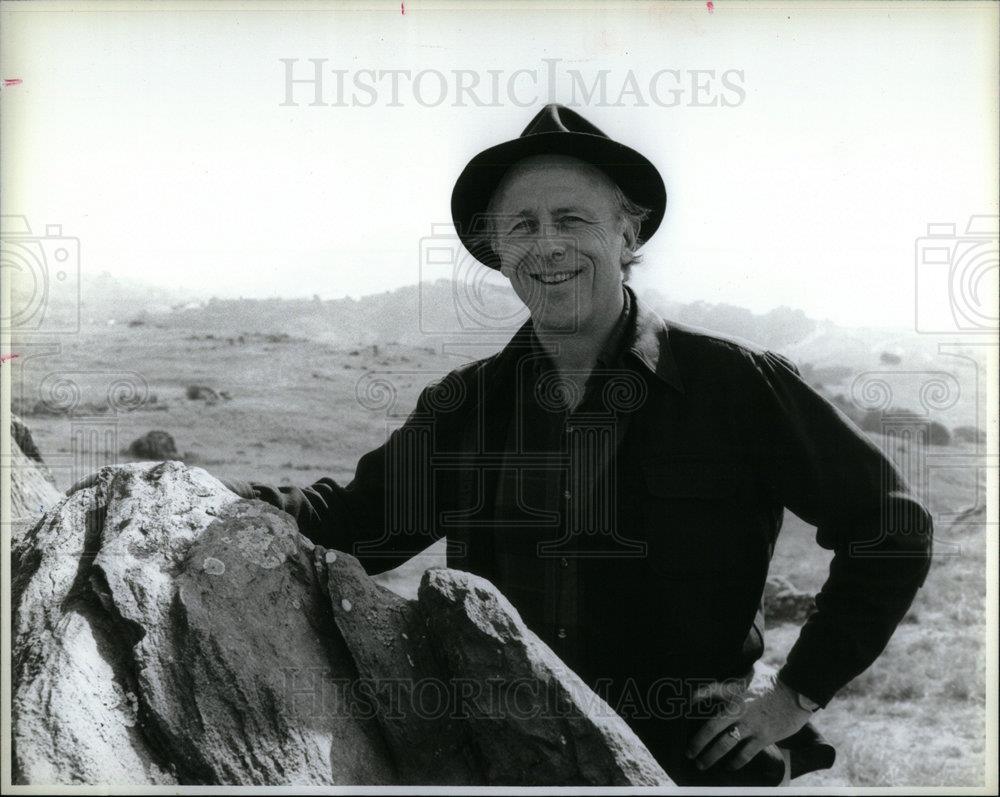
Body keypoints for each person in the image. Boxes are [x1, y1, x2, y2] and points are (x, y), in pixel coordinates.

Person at [83, 105, 934, 785]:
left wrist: (791, 697)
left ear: (628, 236)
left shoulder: (735, 384)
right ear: (497, 253)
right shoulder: (467, 406)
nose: (547, 244)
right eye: (521, 227)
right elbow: (354, 524)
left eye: (573, 218)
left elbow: (891, 526)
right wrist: (185, 498)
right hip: (508, 760)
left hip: (691, 768)